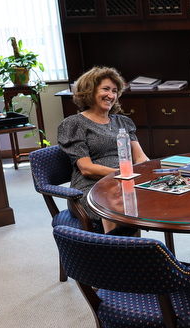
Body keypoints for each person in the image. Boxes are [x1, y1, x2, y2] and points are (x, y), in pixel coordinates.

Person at [58, 66, 149, 233]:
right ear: (89, 91)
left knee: (153, 196)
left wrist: (144, 173)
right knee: (114, 202)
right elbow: (86, 169)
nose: (111, 95)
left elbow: (141, 158)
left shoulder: (123, 122)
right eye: (105, 89)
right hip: (90, 187)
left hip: (125, 181)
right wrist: (124, 174)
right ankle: (114, 256)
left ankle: (134, 253)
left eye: (114, 91)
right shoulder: (74, 124)